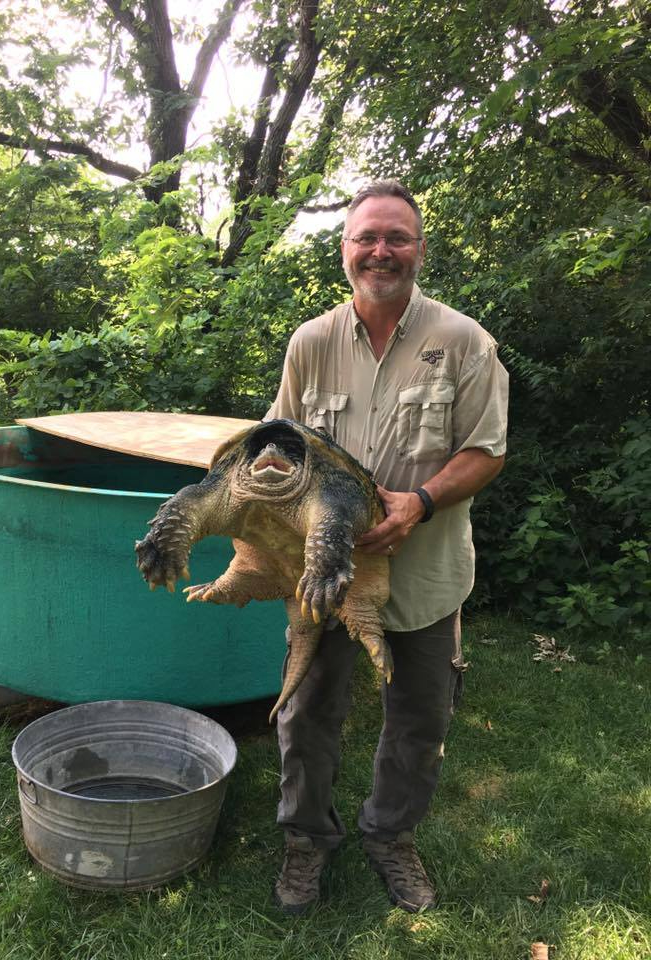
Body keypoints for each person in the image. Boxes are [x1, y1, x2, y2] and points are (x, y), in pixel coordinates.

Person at [264, 180, 509, 915]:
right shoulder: (310, 343)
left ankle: (390, 834)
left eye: (396, 237)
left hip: (426, 572)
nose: (380, 250)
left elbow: (488, 450)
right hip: (327, 575)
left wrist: (421, 501)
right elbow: (281, 441)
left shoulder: (463, 341)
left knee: (419, 717)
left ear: (420, 250)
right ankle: (306, 840)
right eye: (366, 237)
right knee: (306, 710)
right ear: (343, 250)